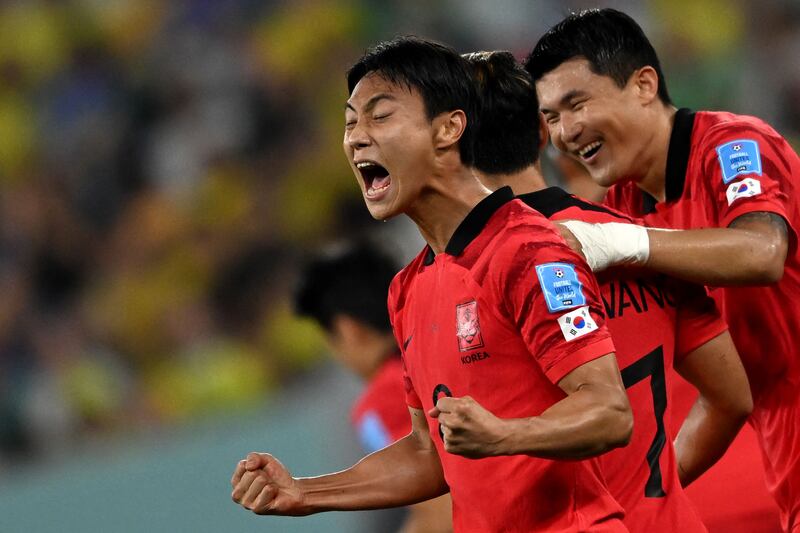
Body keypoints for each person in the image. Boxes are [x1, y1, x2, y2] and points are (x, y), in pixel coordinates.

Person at [231, 36, 634, 532]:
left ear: (449, 128)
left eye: (380, 116)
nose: (357, 137)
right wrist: (306, 492)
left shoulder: (527, 250)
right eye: (350, 121)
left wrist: (504, 435)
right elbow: (428, 452)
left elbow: (610, 410)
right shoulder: (408, 289)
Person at [527, 8, 800, 532]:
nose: (565, 132)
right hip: (780, 446)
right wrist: (639, 501)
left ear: (644, 85)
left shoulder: (734, 145)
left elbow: (763, 253)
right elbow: (728, 398)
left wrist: (626, 243)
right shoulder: (624, 207)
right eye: (552, 117)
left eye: (576, 103)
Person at [466, 49, 752, 532]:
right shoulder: (640, 242)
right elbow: (733, 399)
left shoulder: (464, 275)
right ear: (542, 133)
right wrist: (651, 493)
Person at [294, 242, 453, 533]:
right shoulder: (439, 358)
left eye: (329, 340)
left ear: (348, 330)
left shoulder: (383, 398)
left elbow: (442, 512)